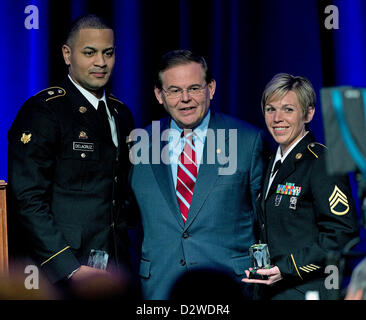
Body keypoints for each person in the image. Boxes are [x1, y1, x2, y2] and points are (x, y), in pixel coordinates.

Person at [7, 14, 135, 293]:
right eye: (89, 53)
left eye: (108, 53)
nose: (100, 62)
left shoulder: (121, 113)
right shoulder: (44, 110)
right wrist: (68, 267)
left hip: (114, 267)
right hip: (61, 272)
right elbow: (27, 199)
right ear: (67, 54)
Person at [130, 49, 268, 299]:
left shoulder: (247, 141)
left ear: (211, 88)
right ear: (159, 95)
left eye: (194, 88)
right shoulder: (140, 143)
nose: (185, 98)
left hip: (229, 287)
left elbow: (266, 223)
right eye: (174, 90)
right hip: (160, 288)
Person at [242, 73, 359, 300]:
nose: (277, 118)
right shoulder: (267, 161)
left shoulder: (321, 161)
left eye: (288, 109)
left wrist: (286, 269)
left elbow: (341, 234)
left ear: (308, 113)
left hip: (307, 290)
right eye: (270, 109)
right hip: (269, 292)